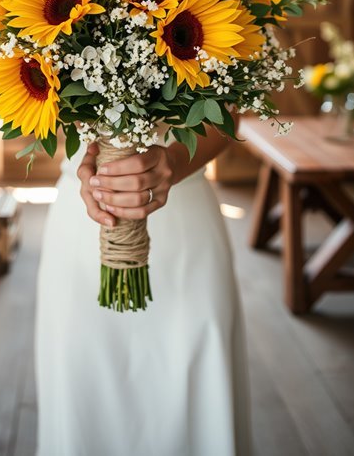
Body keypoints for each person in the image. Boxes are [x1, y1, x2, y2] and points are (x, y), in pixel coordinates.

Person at [35, 125, 252, 456]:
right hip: (84, 217)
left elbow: (231, 111)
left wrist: (175, 163)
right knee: (84, 401)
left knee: (196, 395)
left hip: (185, 221)